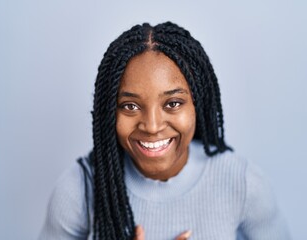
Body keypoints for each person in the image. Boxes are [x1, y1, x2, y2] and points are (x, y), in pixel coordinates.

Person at [39, 22, 290, 240]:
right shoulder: (79, 188)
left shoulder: (243, 183)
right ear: (108, 113)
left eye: (172, 104)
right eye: (130, 106)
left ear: (197, 104)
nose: (151, 126)